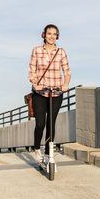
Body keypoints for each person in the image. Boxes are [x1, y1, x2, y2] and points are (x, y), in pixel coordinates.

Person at [28, 24, 71, 164]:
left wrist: (65, 85)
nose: (51, 36)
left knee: (51, 123)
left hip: (56, 92)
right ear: (44, 35)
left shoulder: (61, 52)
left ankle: (48, 153)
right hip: (40, 93)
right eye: (49, 33)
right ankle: (36, 148)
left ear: (57, 36)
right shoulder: (36, 51)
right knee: (40, 123)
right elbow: (31, 71)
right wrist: (35, 83)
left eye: (54, 34)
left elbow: (67, 71)